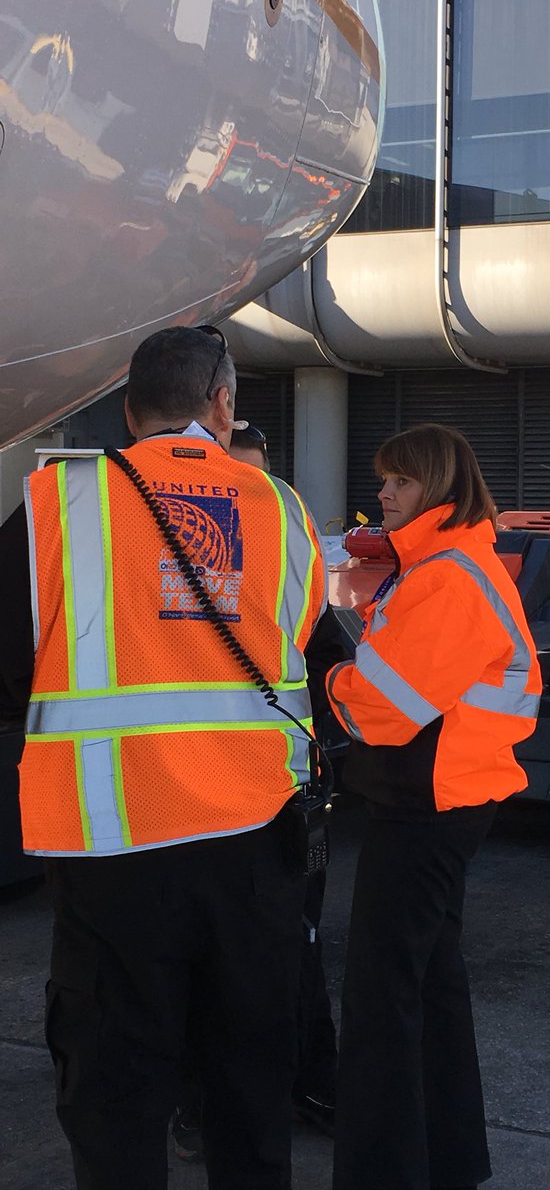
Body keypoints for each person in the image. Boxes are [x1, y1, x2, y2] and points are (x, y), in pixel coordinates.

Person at [0, 326, 332, 1190]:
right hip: (255, 842)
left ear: (127, 408)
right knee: (250, 1081)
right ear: (223, 406)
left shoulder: (55, 501)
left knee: (116, 1088)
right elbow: (316, 663)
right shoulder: (283, 512)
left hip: (112, 845)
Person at [326, 423, 542, 1190]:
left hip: (427, 807)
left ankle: (384, 1171)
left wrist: (327, 680)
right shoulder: (453, 564)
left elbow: (384, 709)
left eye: (402, 482)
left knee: (383, 994)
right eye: (384, 480)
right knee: (429, 982)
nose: (384, 493)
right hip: (452, 800)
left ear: (440, 490)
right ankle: (447, 1158)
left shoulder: (446, 575)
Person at [170, 422, 339, 1163]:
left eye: (254, 482)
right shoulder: (168, 573)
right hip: (189, 805)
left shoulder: (281, 560)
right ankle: (201, 1107)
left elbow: (329, 666)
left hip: (278, 804)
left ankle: (305, 1080)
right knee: (205, 965)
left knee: (292, 950)